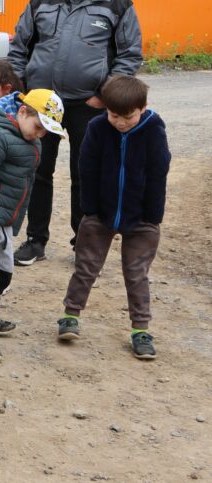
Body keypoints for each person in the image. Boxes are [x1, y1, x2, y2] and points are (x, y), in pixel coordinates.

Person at [8, 0, 143, 265]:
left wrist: (105, 95)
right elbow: (19, 47)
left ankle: (83, 244)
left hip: (88, 103)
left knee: (86, 174)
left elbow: (129, 56)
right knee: (37, 170)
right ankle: (35, 240)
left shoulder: (117, 3)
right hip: (42, 103)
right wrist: (20, 90)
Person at [58, 76, 170, 360]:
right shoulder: (97, 127)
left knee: (136, 273)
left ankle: (140, 330)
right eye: (113, 115)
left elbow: (158, 173)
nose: (120, 122)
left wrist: (153, 215)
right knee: (86, 266)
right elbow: (86, 167)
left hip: (142, 217)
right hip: (101, 213)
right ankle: (71, 315)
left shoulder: (154, 130)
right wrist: (90, 208)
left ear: (142, 107)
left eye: (127, 117)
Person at [0, 89, 63, 363]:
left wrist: (17, 220)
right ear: (22, 112)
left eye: (46, 131)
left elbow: (27, 185)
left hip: (7, 220)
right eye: (38, 126)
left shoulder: (30, 140)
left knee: (5, 273)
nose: (40, 134)